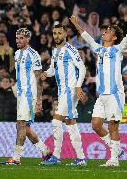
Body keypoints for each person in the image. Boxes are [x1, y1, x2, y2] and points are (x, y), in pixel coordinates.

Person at [70, 12, 127, 166]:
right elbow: (87, 37)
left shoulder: (118, 49)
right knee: (95, 124)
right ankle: (117, 149)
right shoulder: (98, 49)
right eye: (105, 30)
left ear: (114, 37)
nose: (104, 32)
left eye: (108, 31)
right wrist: (75, 24)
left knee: (113, 125)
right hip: (102, 95)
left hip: (114, 94)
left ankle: (114, 159)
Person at [0, 28, 51, 165]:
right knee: (25, 128)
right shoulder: (16, 54)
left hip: (29, 95)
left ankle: (16, 158)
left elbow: (39, 78)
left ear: (28, 39)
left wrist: (39, 100)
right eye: (17, 38)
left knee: (20, 125)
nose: (18, 41)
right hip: (20, 95)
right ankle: (46, 152)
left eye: (21, 38)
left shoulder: (33, 55)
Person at [40, 24, 87, 166]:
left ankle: (56, 156)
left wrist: (78, 86)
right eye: (54, 33)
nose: (56, 36)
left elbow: (82, 68)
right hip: (62, 92)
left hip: (70, 90)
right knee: (70, 123)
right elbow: (53, 70)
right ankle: (81, 158)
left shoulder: (71, 50)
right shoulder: (55, 51)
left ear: (65, 34)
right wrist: (45, 74)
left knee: (56, 121)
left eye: (59, 33)